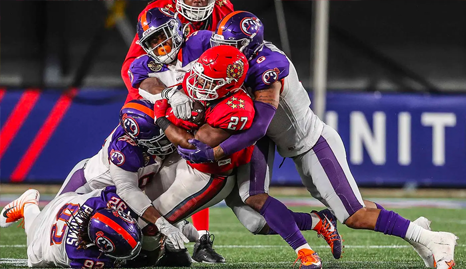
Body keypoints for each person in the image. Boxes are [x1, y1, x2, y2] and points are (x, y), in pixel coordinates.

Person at [178, 11, 459, 269]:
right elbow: (190, 52)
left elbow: (259, 126)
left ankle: (431, 238)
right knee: (253, 202)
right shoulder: (222, 51)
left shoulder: (268, 68)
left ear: (249, 47)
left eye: (232, 45)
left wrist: (215, 152)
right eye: (221, 43)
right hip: (274, 139)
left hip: (309, 142)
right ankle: (314, 244)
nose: (224, 51)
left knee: (354, 215)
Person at [127, 8, 224, 263]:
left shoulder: (200, 41)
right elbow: (142, 81)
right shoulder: (143, 65)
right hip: (169, 144)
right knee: (149, 199)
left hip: (215, 133)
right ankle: (171, 247)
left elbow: (229, 56)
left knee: (254, 212)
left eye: (162, 36)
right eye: (153, 42)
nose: (160, 45)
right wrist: (171, 93)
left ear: (176, 29)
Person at [56, 99, 191, 256]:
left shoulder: (143, 132)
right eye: (161, 138)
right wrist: (162, 223)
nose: (168, 139)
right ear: (141, 140)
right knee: (64, 239)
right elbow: (127, 190)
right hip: (88, 188)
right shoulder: (125, 149)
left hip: (119, 193)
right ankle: (27, 204)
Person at [0, 187, 143, 268]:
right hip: (45, 237)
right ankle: (28, 204)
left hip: (65, 201)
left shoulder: (100, 203)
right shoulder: (81, 254)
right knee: (34, 258)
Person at [122, 0, 234, 103]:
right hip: (167, 83)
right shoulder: (159, 9)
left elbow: (234, 55)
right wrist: (156, 101)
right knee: (139, 117)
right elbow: (131, 68)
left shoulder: (223, 8)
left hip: (208, 85)